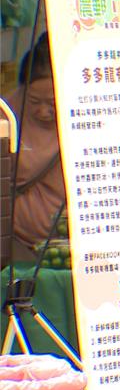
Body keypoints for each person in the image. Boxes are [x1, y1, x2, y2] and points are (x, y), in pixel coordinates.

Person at [5, 34, 65, 263]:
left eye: (51, 104)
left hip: (64, 252)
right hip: (13, 245)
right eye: (33, 102)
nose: (42, 112)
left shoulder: (83, 120)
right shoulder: (6, 116)